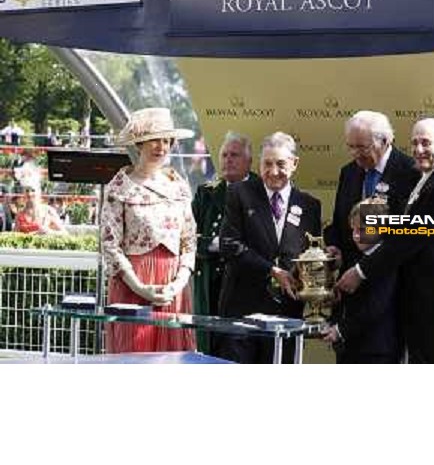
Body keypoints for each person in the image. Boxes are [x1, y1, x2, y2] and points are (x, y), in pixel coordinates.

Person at [336, 117, 434, 364]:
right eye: (414, 143)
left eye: (426, 143)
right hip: (428, 305)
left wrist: (360, 271)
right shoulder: (432, 177)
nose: (419, 150)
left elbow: (405, 242)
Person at [218, 131, 321, 364]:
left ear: (295, 164)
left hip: (287, 312)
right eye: (267, 164)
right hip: (242, 310)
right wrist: (271, 270)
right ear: (259, 163)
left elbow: (311, 256)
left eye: (281, 164)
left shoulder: (310, 206)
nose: (273, 171)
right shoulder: (239, 194)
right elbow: (229, 245)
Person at [100, 107, 197, 353]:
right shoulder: (119, 186)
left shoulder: (178, 185)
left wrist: (178, 284)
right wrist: (139, 287)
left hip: (172, 287)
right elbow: (110, 244)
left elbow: (189, 240)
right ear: (140, 143)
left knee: (171, 360)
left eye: (166, 141)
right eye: (155, 140)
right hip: (132, 285)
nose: (161, 147)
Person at [324, 110, 418, 273]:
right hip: (352, 278)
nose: (355, 154)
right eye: (351, 147)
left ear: (385, 141)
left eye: (362, 147)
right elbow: (340, 222)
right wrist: (335, 247)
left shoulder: (411, 173)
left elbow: (410, 235)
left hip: (395, 281)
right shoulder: (349, 172)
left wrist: (365, 270)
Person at [191, 131, 257, 353]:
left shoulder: (262, 192)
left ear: (249, 160)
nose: (228, 159)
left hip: (245, 288)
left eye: (235, 155)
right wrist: (216, 245)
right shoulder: (206, 194)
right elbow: (188, 239)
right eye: (224, 155)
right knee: (210, 352)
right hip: (211, 285)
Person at [322, 197, 401, 364]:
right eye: (353, 229)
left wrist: (340, 330)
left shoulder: (387, 262)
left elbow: (375, 307)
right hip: (349, 347)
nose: (356, 236)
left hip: (376, 351)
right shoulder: (355, 257)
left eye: (363, 230)